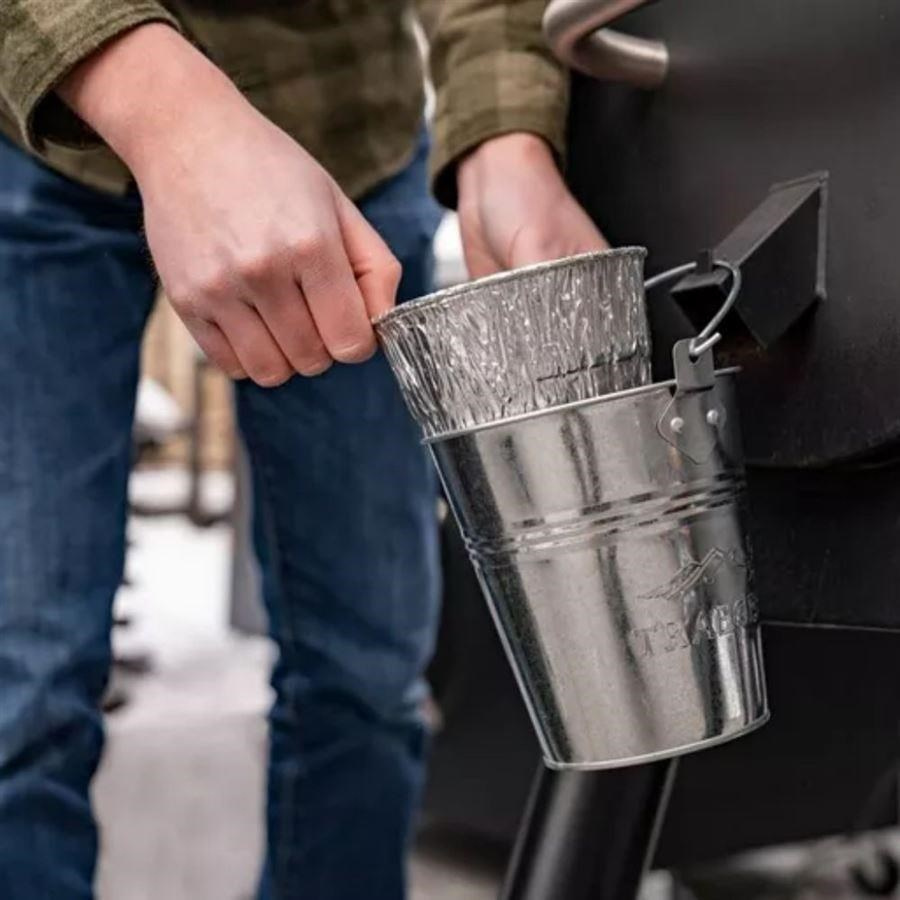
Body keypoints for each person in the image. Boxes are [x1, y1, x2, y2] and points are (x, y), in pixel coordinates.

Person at [0, 2, 608, 897]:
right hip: (37, 141)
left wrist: (505, 127)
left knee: (367, 674)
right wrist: (169, 111)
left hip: (347, 138)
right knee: (24, 678)